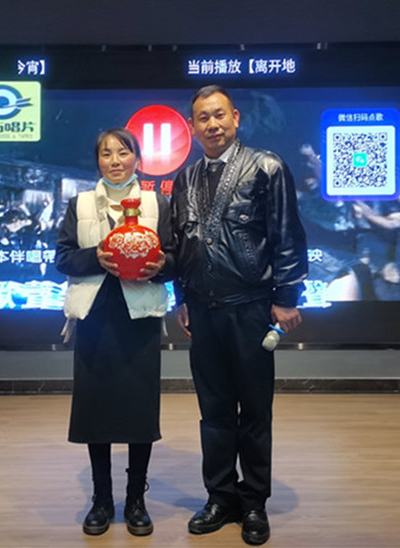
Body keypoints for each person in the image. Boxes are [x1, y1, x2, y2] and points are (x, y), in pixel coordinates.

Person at [170, 85, 308, 546]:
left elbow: (287, 236)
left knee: (254, 411)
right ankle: (220, 497)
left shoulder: (267, 167)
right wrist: (181, 297)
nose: (212, 125)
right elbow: (180, 244)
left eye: (219, 115)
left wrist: (287, 297)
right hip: (202, 310)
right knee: (212, 412)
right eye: (202, 118)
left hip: (250, 308)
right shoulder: (185, 179)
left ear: (235, 119)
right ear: (192, 127)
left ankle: (253, 503)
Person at [55, 128, 174, 537]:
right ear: (98, 162)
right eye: (106, 154)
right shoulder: (81, 203)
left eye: (123, 152)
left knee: (139, 413)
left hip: (139, 317)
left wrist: (161, 266)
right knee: (97, 413)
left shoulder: (157, 203)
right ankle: (102, 499)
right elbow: (63, 258)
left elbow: (175, 256)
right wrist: (97, 257)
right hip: (94, 319)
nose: (115, 161)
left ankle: (136, 499)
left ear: (137, 159)